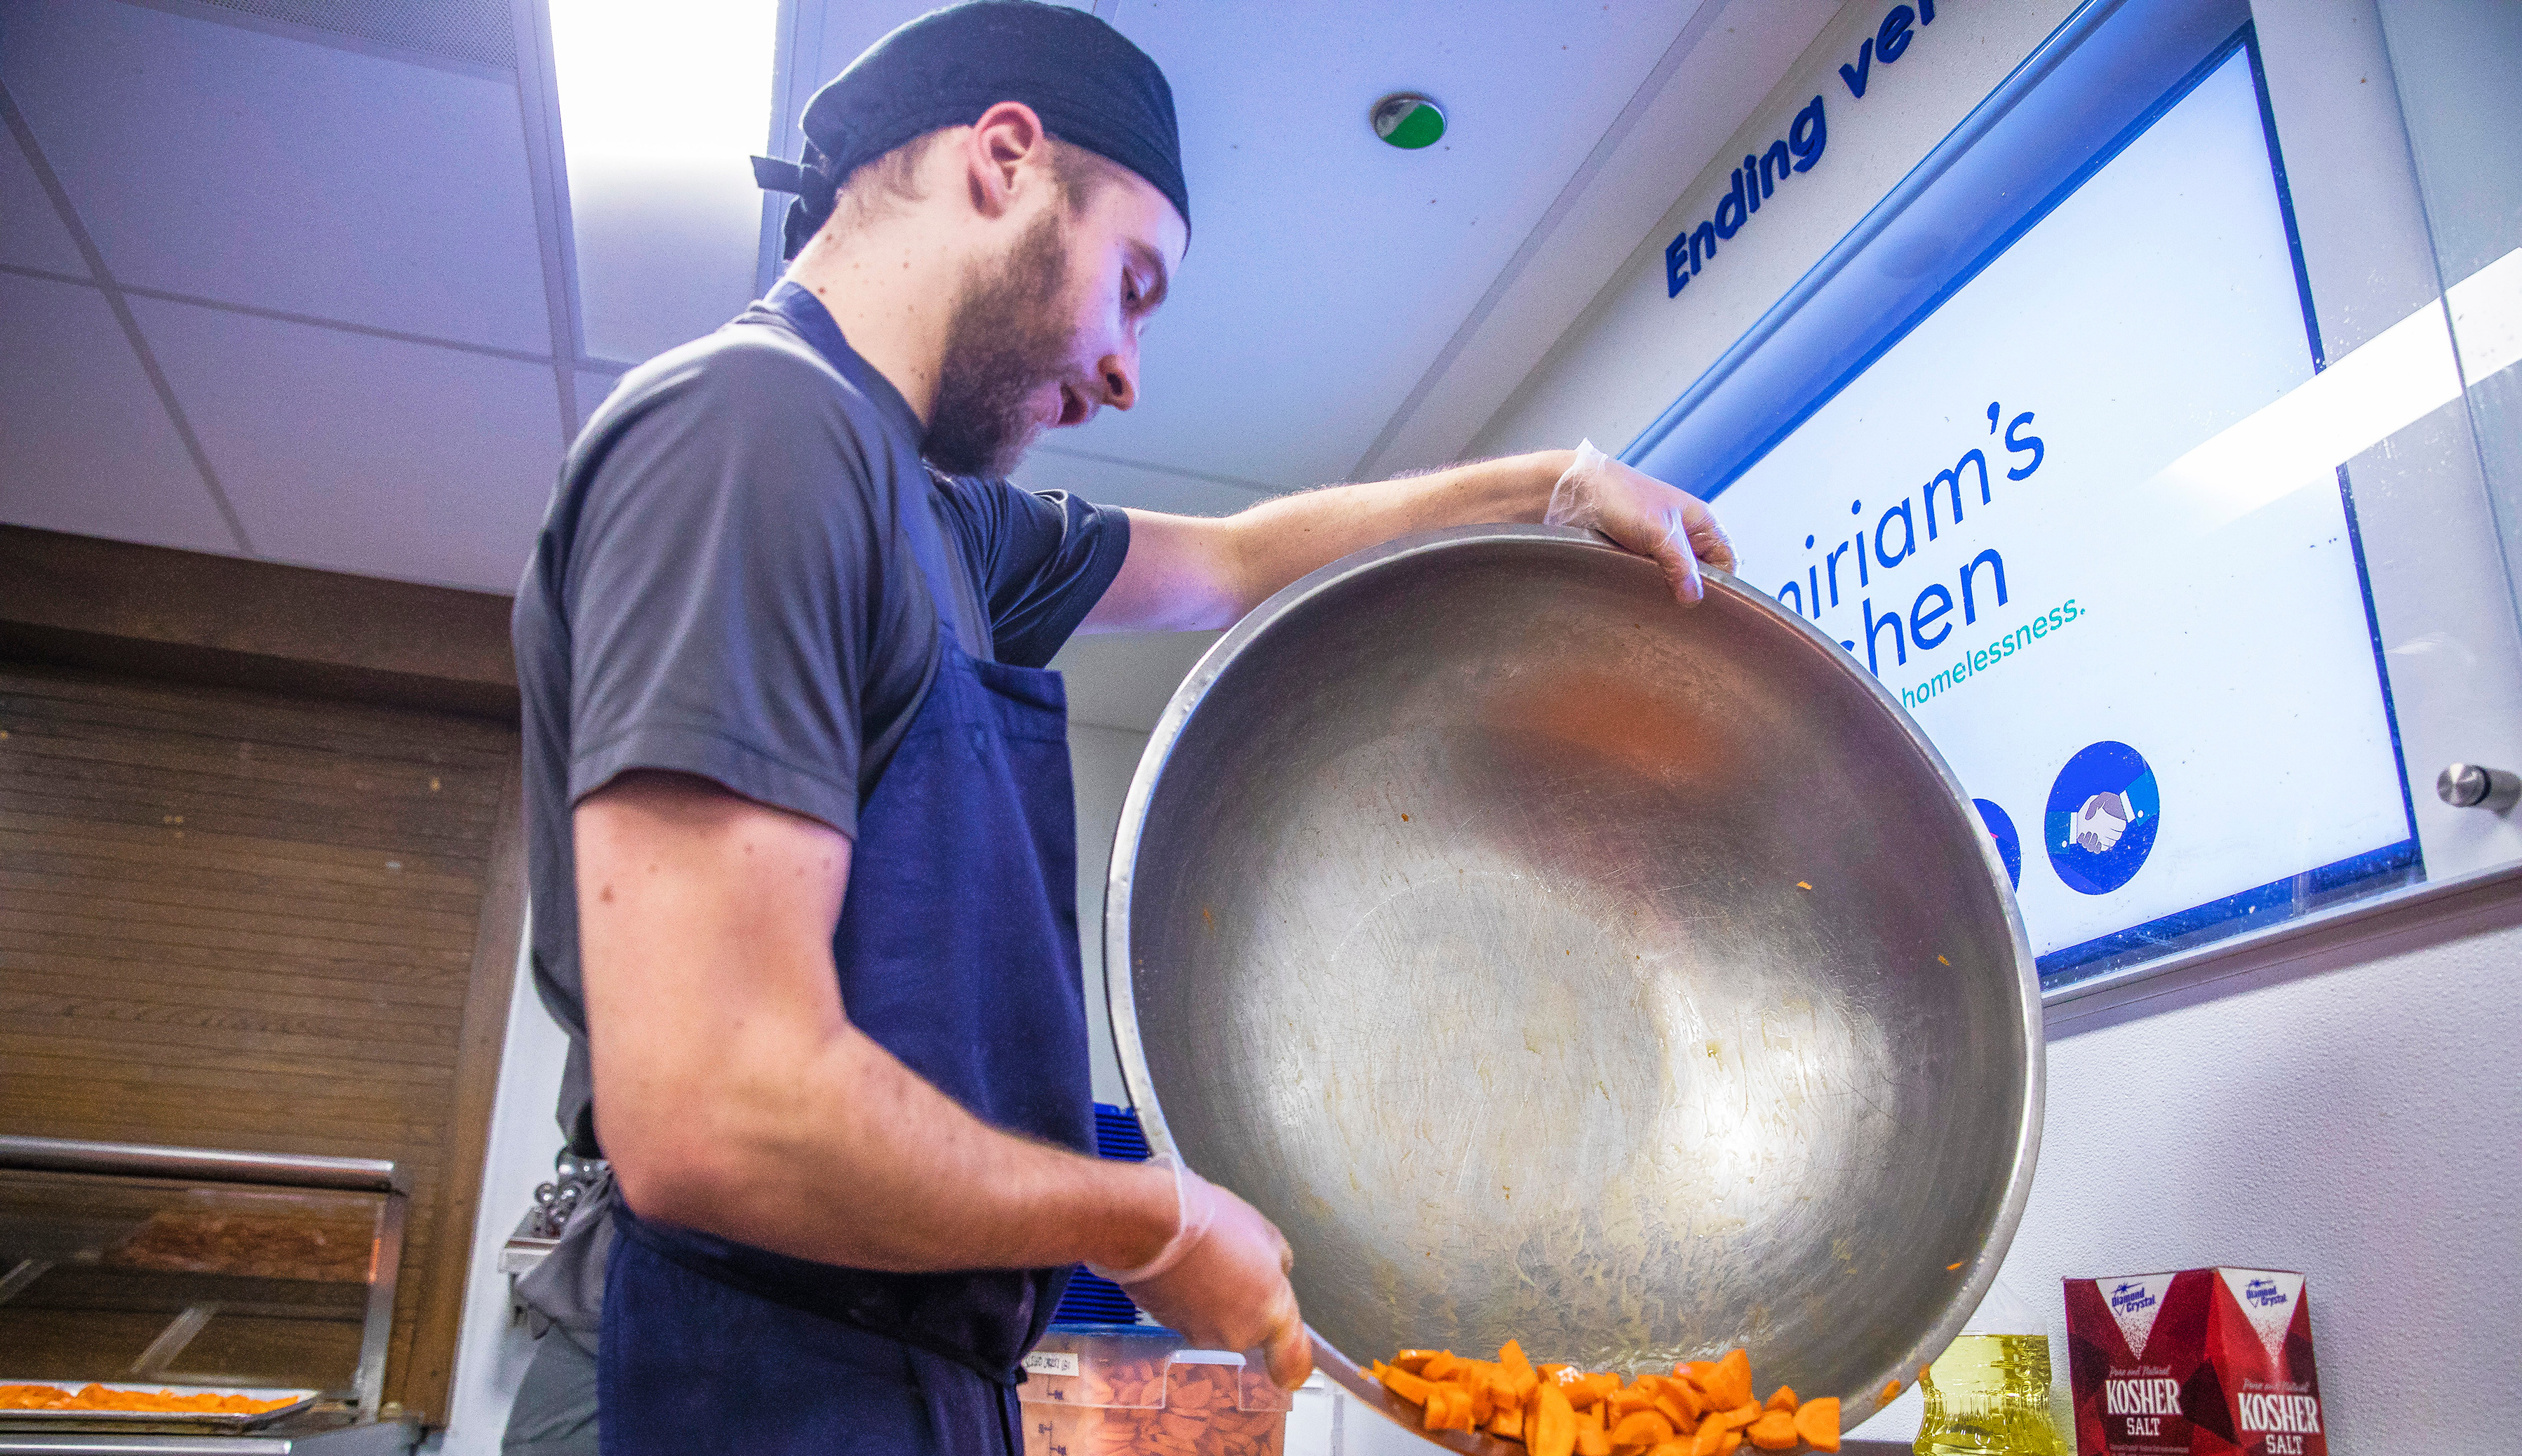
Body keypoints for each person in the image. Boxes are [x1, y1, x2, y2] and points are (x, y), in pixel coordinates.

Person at [502, 4, 1736, 1452]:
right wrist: (1144, 1220)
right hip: (725, 1380)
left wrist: (1555, 483)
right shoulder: (752, 432)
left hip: (895, 1378)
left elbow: (1228, 564)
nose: (1126, 372)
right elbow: (716, 1112)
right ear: (1005, 159)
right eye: (1133, 284)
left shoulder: (937, 521)